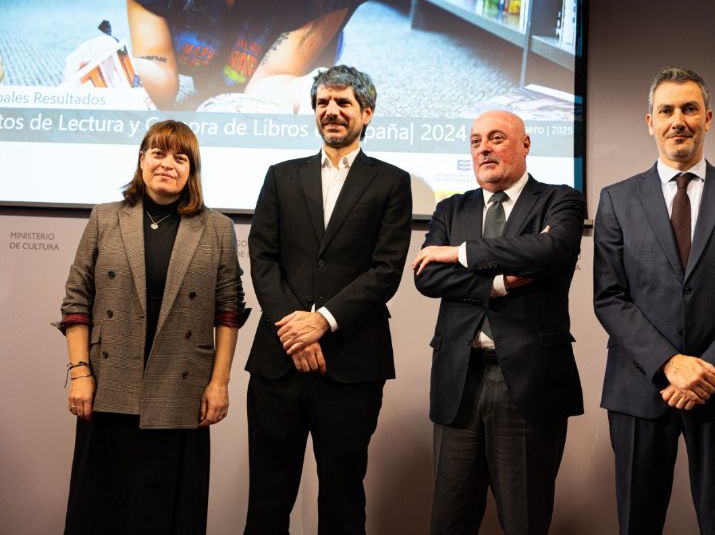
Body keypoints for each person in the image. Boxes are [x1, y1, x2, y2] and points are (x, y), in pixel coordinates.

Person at [593, 67, 715, 534]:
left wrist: (704, 369)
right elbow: (610, 297)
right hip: (640, 389)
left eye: (690, 109)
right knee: (638, 522)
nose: (679, 120)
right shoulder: (616, 200)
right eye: (667, 110)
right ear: (650, 121)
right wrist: (668, 364)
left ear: (708, 117)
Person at [58, 119, 247, 534]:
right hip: (108, 386)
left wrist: (219, 384)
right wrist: (79, 372)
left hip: (182, 394)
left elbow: (228, 312)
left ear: (191, 171)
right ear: (141, 160)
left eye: (181, 158)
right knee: (101, 512)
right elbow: (77, 301)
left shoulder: (217, 228)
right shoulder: (105, 218)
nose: (168, 164)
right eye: (158, 153)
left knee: (168, 516)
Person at [244, 64, 412, 534]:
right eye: (322, 103)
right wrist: (296, 329)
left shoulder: (392, 183)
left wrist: (324, 322)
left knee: (341, 495)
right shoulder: (281, 176)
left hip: (351, 365)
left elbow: (385, 270)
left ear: (367, 113)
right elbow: (263, 259)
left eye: (342, 103)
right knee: (268, 496)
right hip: (279, 362)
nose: (331, 112)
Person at [412, 110, 586, 534]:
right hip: (460, 381)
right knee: (449, 522)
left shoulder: (560, 199)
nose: (483, 149)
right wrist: (500, 284)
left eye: (495, 138)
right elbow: (427, 276)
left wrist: (460, 254)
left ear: (525, 145)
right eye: (475, 142)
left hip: (528, 383)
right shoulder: (450, 208)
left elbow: (552, 249)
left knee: (524, 520)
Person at [83, 0, 381, 108]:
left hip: (285, 61)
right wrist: (115, 70)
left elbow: (271, 81)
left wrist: (303, 93)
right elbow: (158, 67)